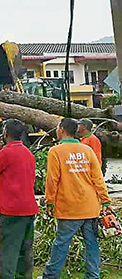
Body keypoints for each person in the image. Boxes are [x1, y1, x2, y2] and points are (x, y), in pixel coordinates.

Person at [38, 118, 113, 279]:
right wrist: (105, 201)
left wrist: (49, 202)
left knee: (61, 244)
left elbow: (52, 180)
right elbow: (98, 178)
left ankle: (50, 276)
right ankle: (93, 276)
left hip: (69, 209)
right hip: (91, 207)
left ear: (62, 130)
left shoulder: (56, 151)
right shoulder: (87, 150)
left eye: (58, 127)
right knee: (92, 244)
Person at [0, 119, 39, 279]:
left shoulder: (6, 152)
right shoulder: (28, 153)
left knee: (6, 251)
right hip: (29, 209)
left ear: (5, 134)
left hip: (12, 210)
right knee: (24, 250)